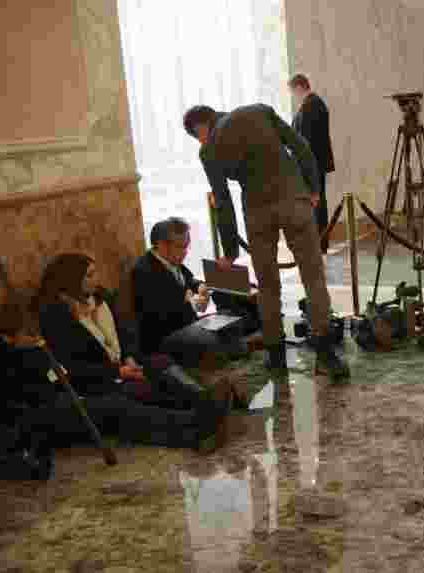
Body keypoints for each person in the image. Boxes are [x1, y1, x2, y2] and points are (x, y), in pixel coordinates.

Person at [182, 103, 348, 379]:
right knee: (314, 279)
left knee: (268, 287)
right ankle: (326, 355)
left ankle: (276, 356)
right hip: (294, 201)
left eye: (196, 136)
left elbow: (223, 201)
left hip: (257, 214)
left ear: (200, 129)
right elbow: (301, 146)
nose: (200, 141)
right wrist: (312, 188)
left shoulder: (208, 149)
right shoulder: (259, 111)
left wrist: (230, 252)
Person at [35, 253, 232, 453]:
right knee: (129, 398)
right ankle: (198, 421)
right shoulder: (55, 316)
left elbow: (123, 331)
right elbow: (74, 367)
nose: (96, 279)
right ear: (71, 281)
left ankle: (204, 401)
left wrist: (129, 356)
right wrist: (118, 372)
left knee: (160, 363)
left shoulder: (100, 297)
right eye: (89, 275)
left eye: (95, 273)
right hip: (94, 381)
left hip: (121, 365)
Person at [131, 217, 260, 369]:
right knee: (208, 339)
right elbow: (157, 315)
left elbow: (190, 282)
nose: (186, 252)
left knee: (231, 319)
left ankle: (239, 359)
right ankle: (225, 363)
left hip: (189, 324)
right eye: (181, 247)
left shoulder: (172, 261)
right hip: (164, 336)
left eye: (187, 246)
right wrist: (191, 302)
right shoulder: (144, 271)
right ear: (162, 245)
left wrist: (201, 289)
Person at [288, 73, 336, 254]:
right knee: (316, 203)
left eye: (293, 92)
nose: (294, 96)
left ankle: (319, 243)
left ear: (300, 87)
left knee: (316, 204)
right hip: (313, 164)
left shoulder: (312, 106)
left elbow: (306, 140)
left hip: (312, 165)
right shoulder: (312, 104)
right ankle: (319, 242)